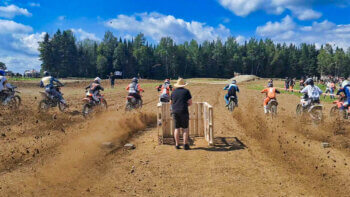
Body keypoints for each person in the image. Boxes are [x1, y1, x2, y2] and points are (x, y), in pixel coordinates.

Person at [170, 78, 192, 150]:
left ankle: (177, 144)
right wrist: (186, 104)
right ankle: (185, 145)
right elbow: (190, 103)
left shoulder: (173, 92)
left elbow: (171, 102)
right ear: (183, 85)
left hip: (175, 111)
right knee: (185, 128)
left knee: (176, 128)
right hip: (183, 111)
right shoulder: (186, 91)